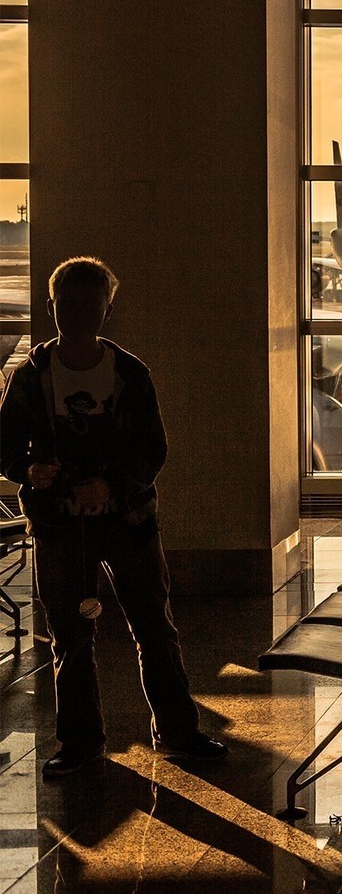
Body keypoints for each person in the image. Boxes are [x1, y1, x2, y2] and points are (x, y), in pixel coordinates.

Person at [0, 257, 226, 777]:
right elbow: (151, 450)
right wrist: (41, 470)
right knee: (140, 628)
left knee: (100, 634)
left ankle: (87, 744)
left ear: (104, 308)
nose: (78, 316)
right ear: (55, 307)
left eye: (87, 306)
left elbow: (153, 448)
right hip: (116, 521)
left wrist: (36, 472)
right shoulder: (120, 373)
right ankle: (175, 733)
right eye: (71, 306)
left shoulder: (46, 379)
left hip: (91, 523)